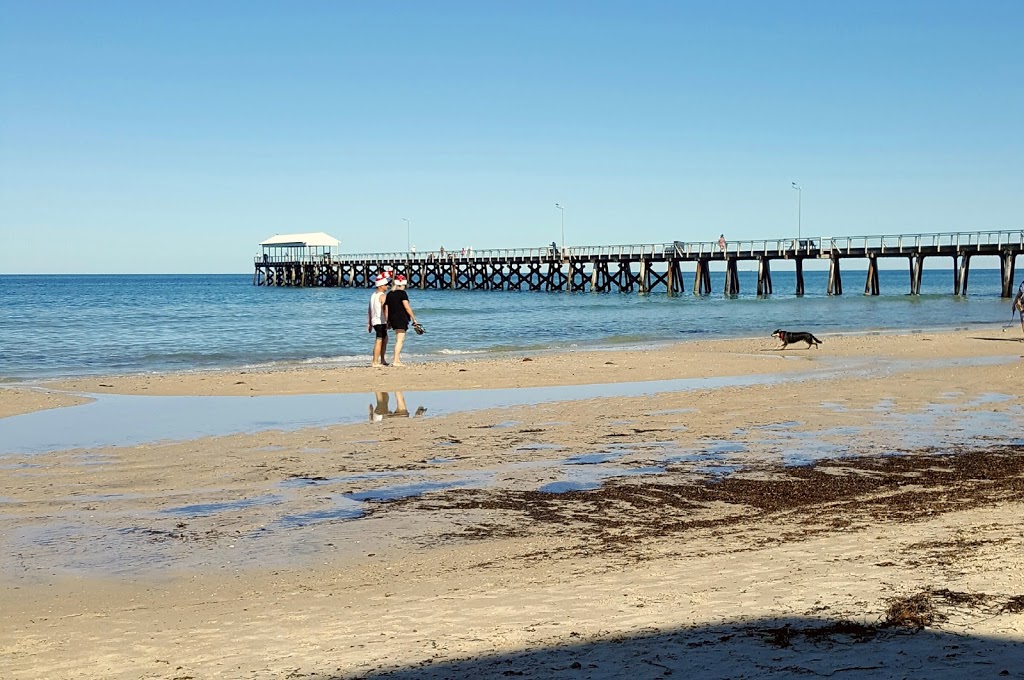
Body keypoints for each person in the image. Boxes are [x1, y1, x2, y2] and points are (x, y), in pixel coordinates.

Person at [384, 274, 419, 366]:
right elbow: (407, 307)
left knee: (398, 339)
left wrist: (387, 321)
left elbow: (386, 310)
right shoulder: (402, 293)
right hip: (401, 318)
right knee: (400, 340)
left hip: (392, 318)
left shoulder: (389, 294)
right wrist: (414, 319)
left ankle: (397, 360)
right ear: (403, 284)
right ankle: (396, 360)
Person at [367, 273, 390, 367]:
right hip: (381, 321)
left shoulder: (373, 295)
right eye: (385, 285)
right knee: (379, 340)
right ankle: (375, 361)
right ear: (381, 286)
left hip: (374, 321)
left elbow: (369, 310)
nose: (387, 286)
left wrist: (369, 323)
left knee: (385, 339)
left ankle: (382, 359)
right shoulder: (383, 296)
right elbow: (385, 309)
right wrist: (388, 321)